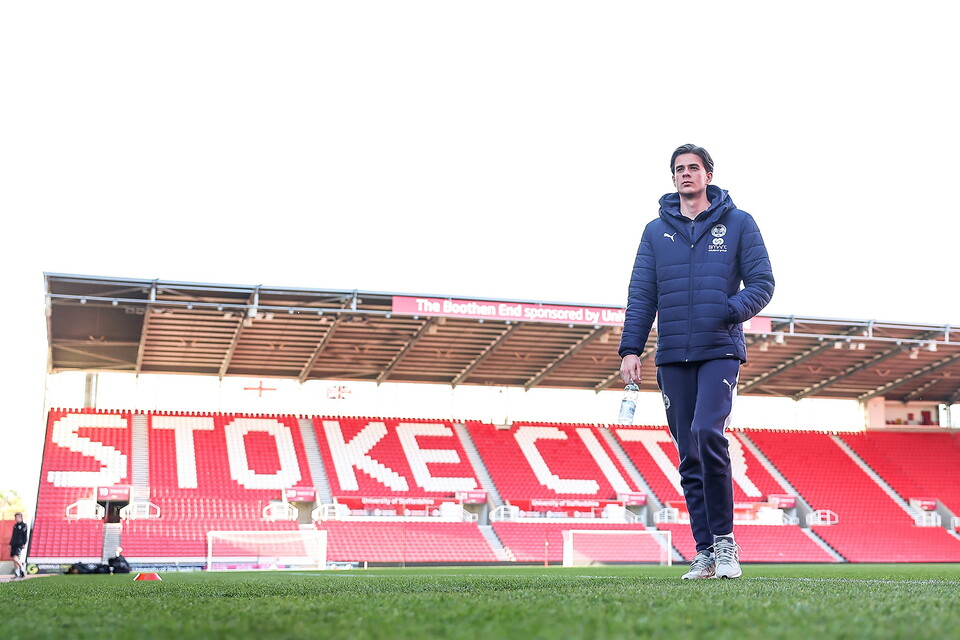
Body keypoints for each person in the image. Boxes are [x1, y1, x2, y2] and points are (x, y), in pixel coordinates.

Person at [619, 144, 774, 580]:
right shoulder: (654, 232)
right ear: (673, 179)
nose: (686, 174)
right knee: (688, 455)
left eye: (693, 168)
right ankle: (704, 552)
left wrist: (727, 310)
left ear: (708, 174)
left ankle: (726, 545)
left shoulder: (739, 223)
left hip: (719, 348)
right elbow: (641, 295)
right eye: (679, 169)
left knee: (707, 433)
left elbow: (763, 281)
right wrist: (631, 349)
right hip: (672, 355)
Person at [9, 512, 28, 579]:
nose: (16, 519)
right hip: (14, 544)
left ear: (21, 517)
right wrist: (10, 544)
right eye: (15, 517)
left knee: (15, 557)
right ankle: (17, 573)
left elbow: (25, 535)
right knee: (14, 559)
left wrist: (24, 543)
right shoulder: (15, 526)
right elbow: (13, 536)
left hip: (19, 544)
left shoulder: (24, 525)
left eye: (17, 517)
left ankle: (23, 569)